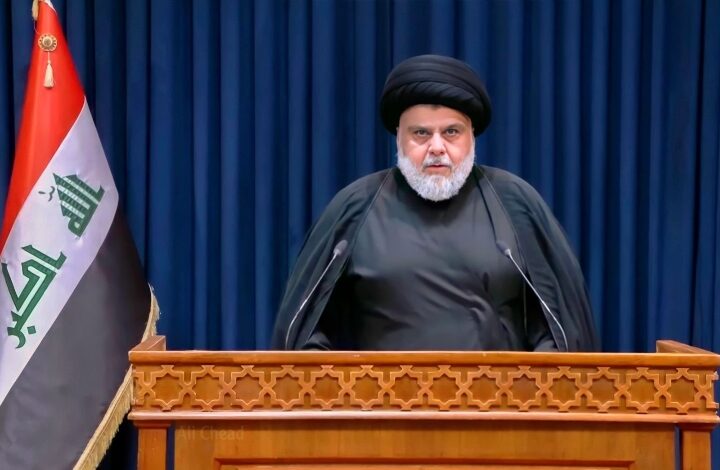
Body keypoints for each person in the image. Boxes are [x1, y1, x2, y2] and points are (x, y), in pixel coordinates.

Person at [271, 54, 598, 352]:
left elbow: (561, 329)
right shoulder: (354, 207)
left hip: (499, 398)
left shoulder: (515, 203)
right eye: (421, 134)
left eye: (452, 132)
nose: (437, 147)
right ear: (399, 137)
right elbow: (303, 334)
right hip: (380, 399)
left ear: (472, 136)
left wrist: (528, 385)